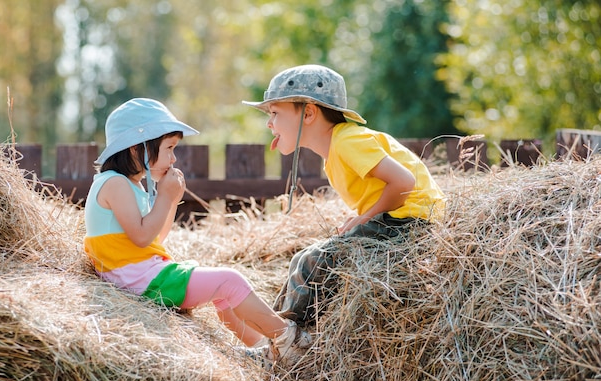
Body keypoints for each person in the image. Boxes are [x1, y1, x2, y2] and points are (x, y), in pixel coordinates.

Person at [83, 98, 311, 365]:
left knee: (223, 296)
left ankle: (264, 350)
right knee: (230, 281)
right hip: (141, 283)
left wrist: (170, 200)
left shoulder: (128, 185)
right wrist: (165, 198)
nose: (173, 157)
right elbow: (143, 237)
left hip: (141, 277)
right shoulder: (115, 184)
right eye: (169, 148)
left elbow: (154, 240)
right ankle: (290, 341)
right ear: (137, 149)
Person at [243, 64, 445, 326]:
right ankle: (271, 335)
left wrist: (365, 218)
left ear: (309, 113)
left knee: (313, 261)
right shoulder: (335, 151)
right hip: (398, 218)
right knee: (301, 260)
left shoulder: (347, 141)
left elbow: (404, 182)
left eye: (274, 113)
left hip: (412, 221)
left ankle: (287, 342)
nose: (269, 123)